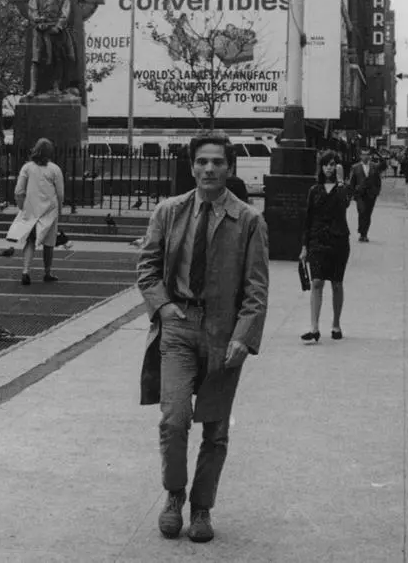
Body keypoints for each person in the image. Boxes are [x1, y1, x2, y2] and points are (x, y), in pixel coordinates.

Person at [137, 134, 269, 544]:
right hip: (177, 329)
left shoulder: (248, 220)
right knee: (174, 420)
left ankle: (201, 507)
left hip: (222, 335)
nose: (209, 169)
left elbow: (257, 289)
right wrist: (163, 308)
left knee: (215, 431)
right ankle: (174, 496)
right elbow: (148, 269)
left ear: (229, 167)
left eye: (217, 162)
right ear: (192, 166)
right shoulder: (169, 211)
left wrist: (243, 338)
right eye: (202, 162)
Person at [299, 151, 352, 342]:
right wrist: (304, 246)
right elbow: (308, 218)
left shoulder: (343, 189)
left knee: (337, 283)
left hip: (338, 241)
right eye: (326, 164)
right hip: (317, 241)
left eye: (333, 164)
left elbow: (344, 204)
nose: (329, 168)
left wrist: (340, 182)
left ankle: (336, 324)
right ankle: (314, 327)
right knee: (316, 282)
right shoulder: (314, 190)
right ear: (321, 168)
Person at [5, 138, 66, 285]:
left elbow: (19, 191)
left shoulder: (27, 168)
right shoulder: (55, 169)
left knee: (30, 241)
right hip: (49, 211)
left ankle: (25, 271)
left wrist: (22, 206)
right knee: (49, 243)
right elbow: (60, 193)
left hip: (31, 209)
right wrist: (60, 208)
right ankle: (47, 272)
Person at [26, 0, 74, 97]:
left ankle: (56, 87)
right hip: (40, 30)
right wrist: (38, 20)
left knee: (57, 59)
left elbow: (65, 11)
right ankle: (33, 89)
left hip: (55, 30)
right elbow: (32, 9)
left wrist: (58, 26)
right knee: (36, 59)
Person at [348, 149, 382, 242]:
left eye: (367, 155)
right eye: (363, 155)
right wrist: (351, 194)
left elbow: (378, 180)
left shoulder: (374, 166)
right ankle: (361, 231)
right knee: (362, 212)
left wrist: (377, 191)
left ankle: (364, 234)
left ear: (370, 156)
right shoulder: (355, 167)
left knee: (367, 214)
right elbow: (352, 182)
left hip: (371, 194)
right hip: (360, 194)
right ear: (360, 156)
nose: (365, 157)